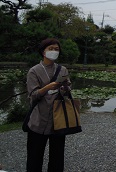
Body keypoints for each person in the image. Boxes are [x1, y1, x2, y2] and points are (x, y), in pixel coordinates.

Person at [26, 38, 71, 172]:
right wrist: (47, 88)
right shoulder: (34, 71)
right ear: (43, 51)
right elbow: (33, 95)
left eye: (56, 49)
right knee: (34, 157)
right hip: (38, 119)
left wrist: (65, 88)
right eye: (51, 48)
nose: (54, 51)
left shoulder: (62, 70)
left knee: (57, 158)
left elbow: (67, 92)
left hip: (58, 119)